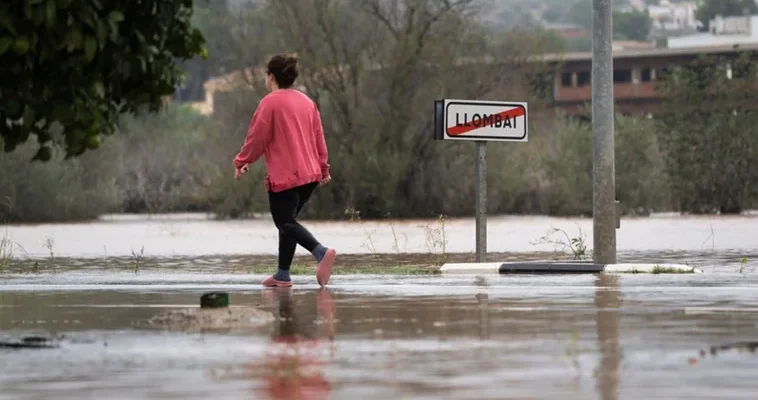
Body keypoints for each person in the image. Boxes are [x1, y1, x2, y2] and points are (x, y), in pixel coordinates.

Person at [233, 53, 336, 288]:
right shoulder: (307, 102)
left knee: (284, 222)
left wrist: (241, 160)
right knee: (288, 222)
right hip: (310, 176)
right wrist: (323, 167)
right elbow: (319, 138)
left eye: (266, 76)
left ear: (271, 77)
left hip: (287, 177)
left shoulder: (270, 102)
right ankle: (282, 275)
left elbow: (257, 138)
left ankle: (320, 252)